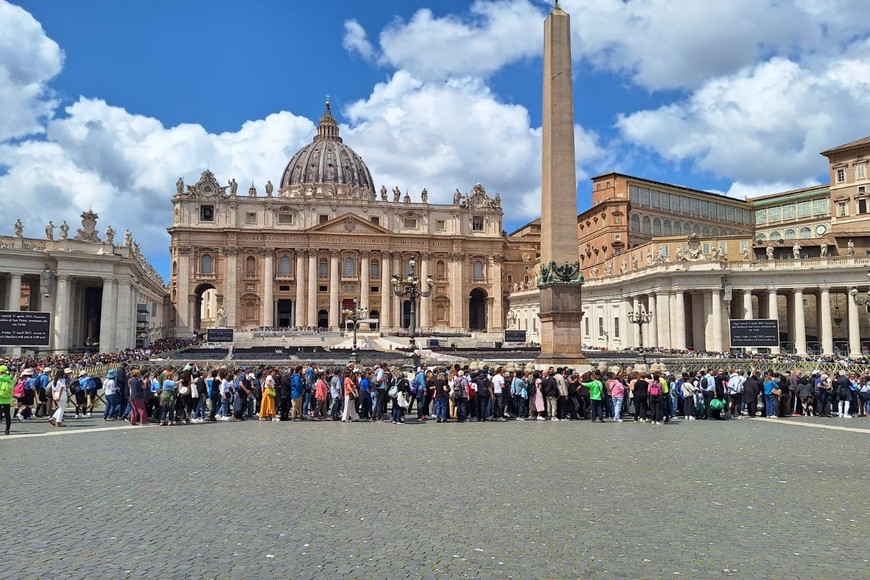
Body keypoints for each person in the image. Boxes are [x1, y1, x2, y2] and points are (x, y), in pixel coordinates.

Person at [0, 365, 13, 435]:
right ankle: (7, 430)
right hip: (7, 399)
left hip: (0, 399)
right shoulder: (10, 379)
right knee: (7, 414)